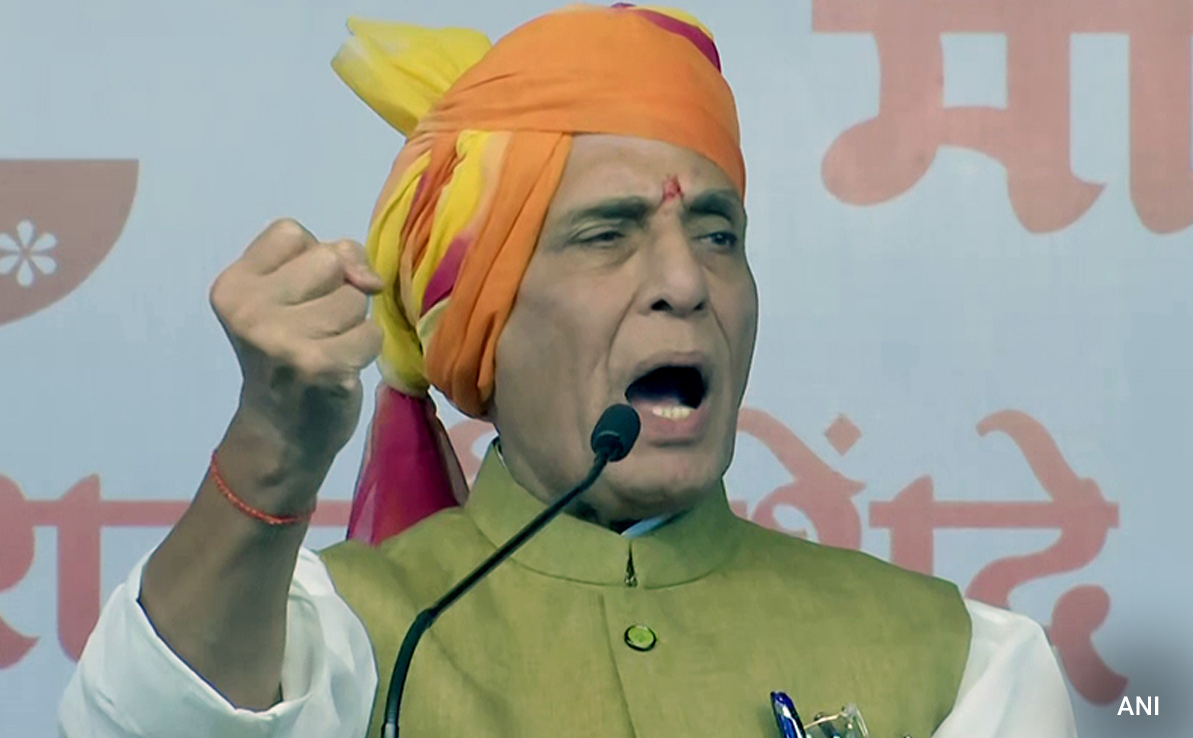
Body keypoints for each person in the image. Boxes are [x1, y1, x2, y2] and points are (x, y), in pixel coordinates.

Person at [60, 5, 1078, 737]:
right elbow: (146, 719)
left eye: (718, 234)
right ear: (482, 322)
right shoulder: (331, 645)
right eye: (607, 234)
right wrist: (276, 446)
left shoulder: (956, 662)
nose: (685, 282)